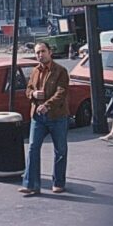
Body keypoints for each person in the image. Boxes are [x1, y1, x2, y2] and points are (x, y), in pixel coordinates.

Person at [19, 41, 69, 196]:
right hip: (38, 117)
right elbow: (28, 89)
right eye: (37, 53)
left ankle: (58, 182)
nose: (40, 55)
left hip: (57, 116)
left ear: (49, 52)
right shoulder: (34, 71)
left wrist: (47, 105)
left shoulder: (60, 71)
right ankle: (31, 184)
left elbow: (61, 92)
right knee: (33, 148)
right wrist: (33, 94)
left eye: (42, 51)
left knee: (60, 149)